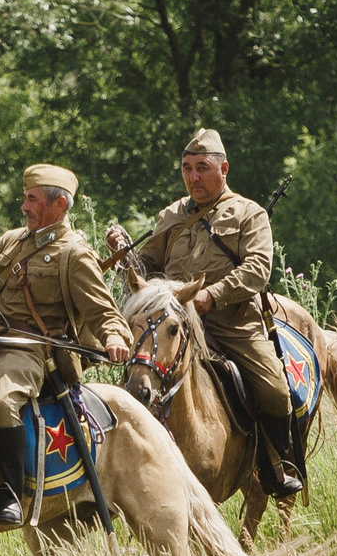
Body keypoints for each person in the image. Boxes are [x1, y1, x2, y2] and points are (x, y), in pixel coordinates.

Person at [106, 127, 301, 497]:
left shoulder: (249, 214)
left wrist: (212, 295)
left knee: (275, 390)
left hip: (230, 322)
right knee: (135, 376)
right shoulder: (171, 215)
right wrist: (124, 258)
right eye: (187, 168)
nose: (193, 177)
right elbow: (147, 270)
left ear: (223, 169)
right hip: (171, 321)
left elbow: (257, 269)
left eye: (202, 168)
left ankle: (274, 465)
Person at [0, 164, 128, 527]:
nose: (24, 206)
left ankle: (9, 492)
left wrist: (114, 337)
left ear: (59, 205)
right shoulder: (10, 240)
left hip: (28, 349)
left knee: (2, 401)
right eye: (25, 198)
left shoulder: (74, 254)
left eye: (32, 200)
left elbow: (104, 311)